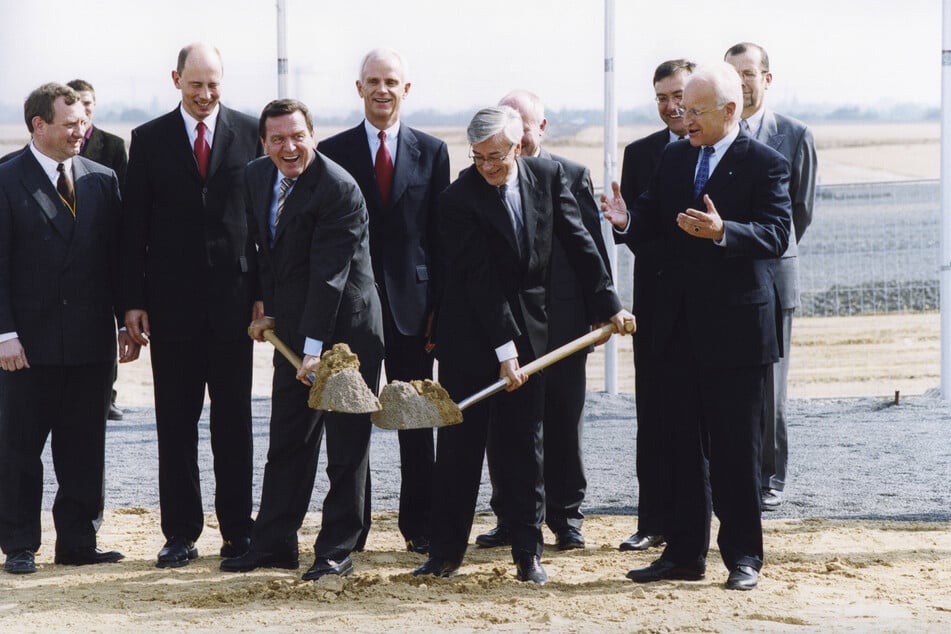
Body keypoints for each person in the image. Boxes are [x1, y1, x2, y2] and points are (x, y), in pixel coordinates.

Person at [412, 106, 634, 585]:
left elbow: (579, 241)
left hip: (533, 331)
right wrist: (504, 351)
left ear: (518, 147)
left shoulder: (548, 178)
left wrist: (609, 303)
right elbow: (480, 281)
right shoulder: (457, 199)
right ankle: (445, 554)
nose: (486, 167)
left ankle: (527, 553)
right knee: (460, 448)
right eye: (478, 157)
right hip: (471, 336)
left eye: (495, 157)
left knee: (524, 446)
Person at [602, 62, 792, 591]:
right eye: (682, 110)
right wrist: (626, 221)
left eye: (695, 112)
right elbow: (650, 219)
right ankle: (684, 555)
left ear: (730, 111)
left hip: (736, 334)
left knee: (735, 451)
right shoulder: (674, 157)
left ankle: (744, 557)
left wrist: (724, 231)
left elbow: (777, 233)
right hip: (675, 329)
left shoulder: (766, 164)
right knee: (680, 447)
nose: (685, 120)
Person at [220, 99, 384, 581]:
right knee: (289, 438)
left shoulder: (338, 188)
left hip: (348, 334)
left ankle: (336, 549)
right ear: (264, 143)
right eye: (277, 139)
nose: (289, 148)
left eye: (297, 137)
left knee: (346, 446)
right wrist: (268, 311)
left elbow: (329, 277)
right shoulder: (256, 176)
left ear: (312, 135)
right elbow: (266, 253)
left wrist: (314, 351)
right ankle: (273, 544)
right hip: (294, 326)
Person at [121, 42, 261, 568]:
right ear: (176, 79)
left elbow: (264, 226)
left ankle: (238, 531)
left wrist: (264, 294)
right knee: (175, 424)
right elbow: (133, 227)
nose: (205, 95)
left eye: (213, 84)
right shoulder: (149, 139)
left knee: (235, 424)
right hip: (171, 306)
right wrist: (132, 302)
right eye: (196, 84)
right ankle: (180, 532)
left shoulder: (251, 132)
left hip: (235, 308)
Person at [0, 83, 139, 574]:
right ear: (38, 125)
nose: (81, 132)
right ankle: (19, 544)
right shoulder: (6, 179)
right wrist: (4, 334)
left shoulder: (102, 179)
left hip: (88, 342)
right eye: (70, 124)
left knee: (83, 448)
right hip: (25, 346)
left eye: (83, 122)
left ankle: (79, 541)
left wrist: (124, 322)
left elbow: (118, 261)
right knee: (19, 449)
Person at [317, 49, 450, 555]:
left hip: (414, 310)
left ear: (406, 89)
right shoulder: (333, 151)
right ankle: (352, 530)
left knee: (415, 419)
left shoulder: (433, 151)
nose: (382, 90)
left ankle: (422, 525)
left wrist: (439, 308)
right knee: (352, 422)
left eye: (391, 81)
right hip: (352, 309)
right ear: (359, 88)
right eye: (373, 81)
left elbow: (439, 238)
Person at [475, 90, 611, 552]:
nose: (516, 133)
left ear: (540, 128)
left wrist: (601, 310)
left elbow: (589, 246)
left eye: (523, 124)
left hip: (564, 323)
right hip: (510, 326)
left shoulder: (569, 174)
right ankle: (511, 516)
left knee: (563, 422)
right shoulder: (486, 180)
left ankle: (566, 518)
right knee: (507, 427)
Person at [725, 42, 817, 511]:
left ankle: (770, 477)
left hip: (775, 278)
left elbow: (799, 211)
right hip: (723, 278)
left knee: (771, 388)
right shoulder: (716, 134)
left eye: (748, 73)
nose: (741, 82)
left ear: (767, 78)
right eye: (733, 73)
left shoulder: (795, 135)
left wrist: (760, 247)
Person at [616, 59, 694, 553]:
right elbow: (634, 228)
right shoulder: (640, 153)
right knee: (654, 416)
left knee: (702, 421)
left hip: (707, 306)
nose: (671, 107)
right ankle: (652, 522)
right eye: (662, 98)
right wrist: (625, 224)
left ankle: (698, 525)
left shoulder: (719, 151)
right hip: (655, 304)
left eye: (679, 95)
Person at [66, 78, 129, 422]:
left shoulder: (112, 146)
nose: (84, 108)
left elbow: (122, 196)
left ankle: (108, 395)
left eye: (88, 102)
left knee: (104, 330)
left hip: (100, 244)